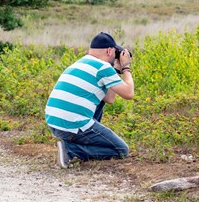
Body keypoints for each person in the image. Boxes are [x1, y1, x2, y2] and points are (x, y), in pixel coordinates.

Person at [45, 32, 134, 168]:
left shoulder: (80, 63)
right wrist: (126, 67)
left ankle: (70, 145)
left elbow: (109, 99)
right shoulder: (103, 67)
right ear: (109, 51)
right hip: (71, 126)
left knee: (99, 101)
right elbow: (129, 93)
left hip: (55, 123)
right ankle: (70, 150)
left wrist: (115, 70)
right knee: (121, 150)